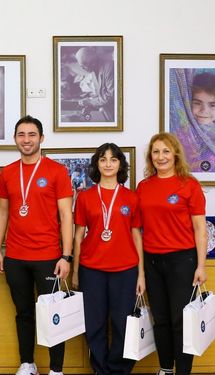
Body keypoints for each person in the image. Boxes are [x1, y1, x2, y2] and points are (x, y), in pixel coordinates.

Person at [0, 115, 73, 375]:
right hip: (16, 256)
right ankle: (27, 363)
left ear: (41, 138)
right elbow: (2, 213)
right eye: (21, 135)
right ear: (15, 138)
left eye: (31, 135)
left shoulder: (56, 171)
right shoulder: (7, 172)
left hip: (49, 256)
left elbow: (66, 215)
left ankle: (57, 369)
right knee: (24, 313)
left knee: (53, 314)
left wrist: (67, 256)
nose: (26, 140)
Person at [136, 132, 207, 375]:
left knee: (181, 321)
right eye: (156, 152)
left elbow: (200, 228)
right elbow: (137, 228)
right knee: (161, 320)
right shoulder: (143, 187)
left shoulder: (189, 184)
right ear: (150, 157)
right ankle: (166, 368)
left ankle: (183, 371)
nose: (161, 156)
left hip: (182, 261)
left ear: (175, 153)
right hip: (152, 261)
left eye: (166, 151)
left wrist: (201, 265)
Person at [71, 143, 145, 375]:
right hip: (91, 269)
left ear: (120, 164)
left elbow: (136, 236)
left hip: (125, 270)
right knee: (94, 324)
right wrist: (75, 271)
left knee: (123, 324)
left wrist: (141, 274)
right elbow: (78, 236)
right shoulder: (84, 197)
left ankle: (118, 370)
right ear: (97, 165)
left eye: (113, 160)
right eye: (103, 159)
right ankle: (100, 370)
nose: (108, 164)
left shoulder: (131, 198)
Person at [176, 71, 215, 172]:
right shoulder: (181, 133)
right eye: (197, 103)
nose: (204, 110)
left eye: (212, 105)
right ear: (188, 103)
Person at [74, 46, 115, 122]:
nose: (82, 69)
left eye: (83, 66)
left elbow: (111, 96)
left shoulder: (110, 67)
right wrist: (90, 105)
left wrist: (90, 102)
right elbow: (100, 95)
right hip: (107, 112)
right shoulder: (93, 71)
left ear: (92, 63)